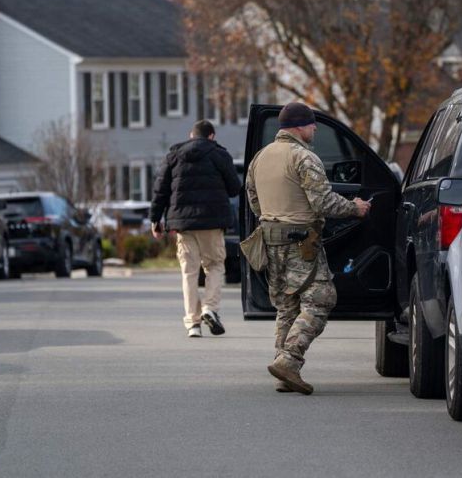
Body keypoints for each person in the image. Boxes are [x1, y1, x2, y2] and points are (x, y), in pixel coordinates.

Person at [246, 102, 371, 394]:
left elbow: (254, 201)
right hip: (302, 241)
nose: (315, 129)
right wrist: (355, 208)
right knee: (321, 299)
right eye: (312, 124)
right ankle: (290, 360)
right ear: (300, 126)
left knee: (286, 306)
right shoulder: (304, 157)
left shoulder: (260, 158)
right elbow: (323, 202)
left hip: (270, 239)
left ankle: (283, 369)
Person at [150, 119, 241, 338]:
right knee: (215, 266)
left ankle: (193, 323)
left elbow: (160, 191)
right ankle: (210, 308)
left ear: (191, 135)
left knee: (189, 272)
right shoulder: (220, 154)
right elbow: (234, 188)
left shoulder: (174, 156)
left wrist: (155, 220)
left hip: (183, 224)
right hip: (212, 221)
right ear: (212, 136)